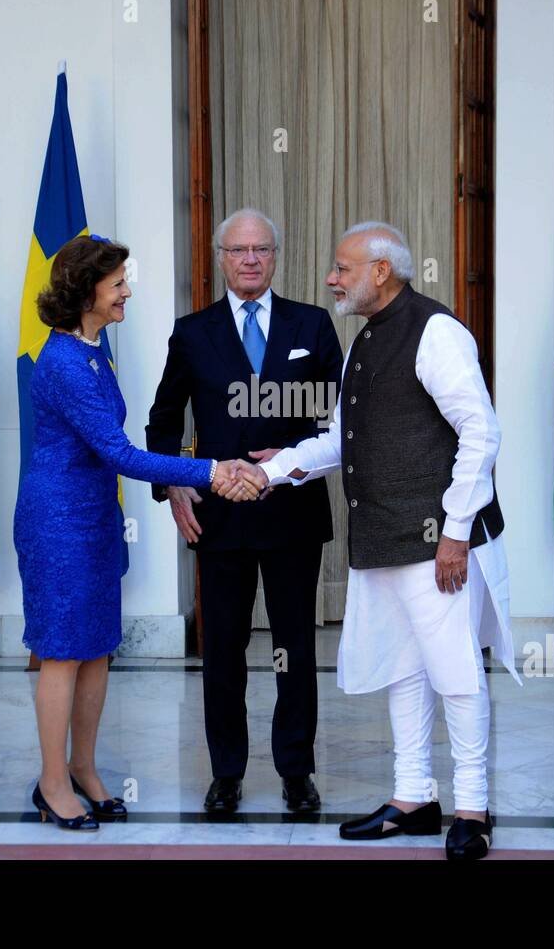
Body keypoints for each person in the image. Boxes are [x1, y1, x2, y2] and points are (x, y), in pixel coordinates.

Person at [242, 222, 522, 860]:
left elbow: (481, 433)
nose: (331, 279)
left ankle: (472, 811)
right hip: (382, 536)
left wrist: (454, 531)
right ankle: (412, 798)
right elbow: (341, 438)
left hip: (437, 543)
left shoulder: (436, 332)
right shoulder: (366, 338)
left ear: (381, 272)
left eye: (342, 268)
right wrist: (274, 468)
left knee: (454, 674)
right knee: (403, 668)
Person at [14, 233, 264, 830]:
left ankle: (84, 769)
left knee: (97, 647)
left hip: (95, 519)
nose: (128, 291)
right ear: (87, 290)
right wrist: (209, 468)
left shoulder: (93, 348)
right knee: (61, 653)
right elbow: (119, 451)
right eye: (118, 283)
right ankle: (52, 783)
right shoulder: (66, 362)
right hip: (58, 525)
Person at [146, 208, 343, 813]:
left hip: (292, 515)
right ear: (221, 258)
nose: (250, 259)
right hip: (218, 519)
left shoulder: (312, 324)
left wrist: (294, 457)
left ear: (276, 256)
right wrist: (171, 486)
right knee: (223, 653)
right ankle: (226, 773)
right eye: (238, 250)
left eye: (261, 249)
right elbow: (162, 418)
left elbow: (339, 416)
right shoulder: (192, 331)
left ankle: (296, 773)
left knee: (295, 651)